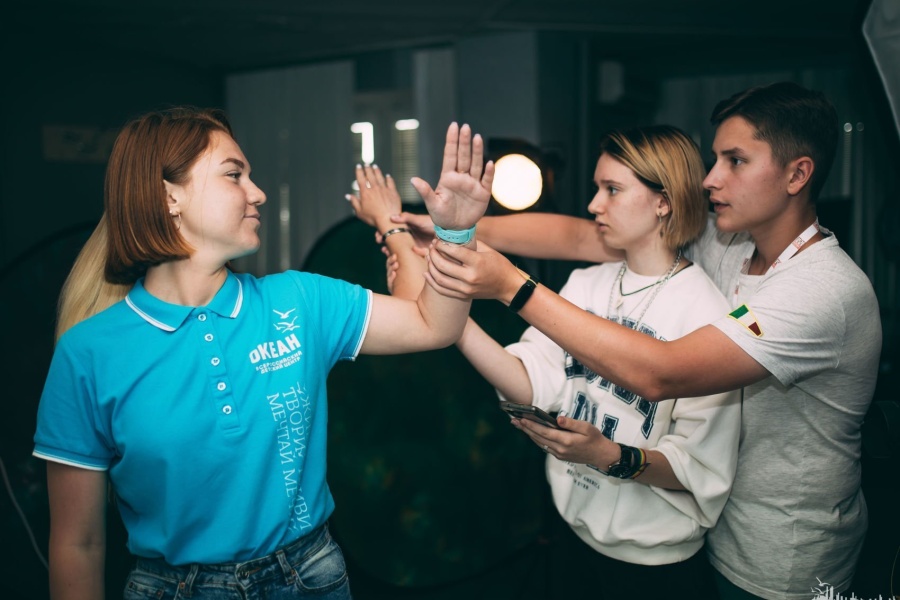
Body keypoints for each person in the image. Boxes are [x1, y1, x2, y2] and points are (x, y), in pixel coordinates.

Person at [411, 82, 882, 599]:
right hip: (699, 527)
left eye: (735, 161)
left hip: (780, 551)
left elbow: (661, 373)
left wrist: (509, 286)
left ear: (797, 174)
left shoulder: (823, 290)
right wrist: (453, 230)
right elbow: (581, 237)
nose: (710, 178)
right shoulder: (726, 242)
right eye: (714, 160)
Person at [32, 108, 493, 600]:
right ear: (169, 197)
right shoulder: (89, 353)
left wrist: (456, 232)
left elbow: (434, 323)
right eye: (234, 175)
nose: (259, 193)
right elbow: (78, 543)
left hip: (309, 577)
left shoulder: (300, 300)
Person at [351, 126, 741, 599]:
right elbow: (530, 384)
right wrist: (448, 312)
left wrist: (609, 456)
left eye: (612, 190)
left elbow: (698, 467)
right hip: (570, 539)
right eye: (597, 188)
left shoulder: (707, 316)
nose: (593, 205)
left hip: (654, 568)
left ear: (663, 202)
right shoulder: (585, 284)